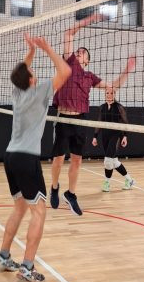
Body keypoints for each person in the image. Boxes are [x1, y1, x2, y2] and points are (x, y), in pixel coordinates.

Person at [0, 33, 72, 282]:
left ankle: (3, 256)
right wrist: (46, 48)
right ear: (31, 79)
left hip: (10, 157)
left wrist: (31, 52)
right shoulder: (39, 91)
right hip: (27, 159)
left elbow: (20, 71)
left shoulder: (18, 92)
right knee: (38, 211)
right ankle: (27, 267)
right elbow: (66, 71)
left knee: (19, 207)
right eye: (32, 71)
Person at [49, 13, 136, 215]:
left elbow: (113, 86)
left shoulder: (90, 77)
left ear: (87, 61)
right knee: (58, 159)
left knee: (77, 160)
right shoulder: (69, 63)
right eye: (78, 51)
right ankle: (54, 187)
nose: (79, 52)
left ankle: (71, 194)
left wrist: (127, 71)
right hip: (63, 118)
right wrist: (91, 19)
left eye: (83, 53)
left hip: (80, 120)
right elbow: (68, 33)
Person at [92, 86, 134, 192]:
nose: (109, 95)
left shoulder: (119, 107)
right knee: (114, 161)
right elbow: (99, 122)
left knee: (107, 160)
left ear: (115, 95)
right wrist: (95, 136)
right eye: (107, 93)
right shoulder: (102, 107)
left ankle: (107, 183)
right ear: (105, 94)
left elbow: (125, 122)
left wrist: (125, 136)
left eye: (111, 93)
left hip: (116, 135)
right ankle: (129, 180)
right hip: (105, 135)